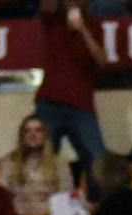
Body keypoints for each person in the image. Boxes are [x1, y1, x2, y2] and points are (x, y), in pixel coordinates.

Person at [34, 0, 107, 177]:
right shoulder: (54, 20)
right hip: (50, 102)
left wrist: (83, 29)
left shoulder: (94, 26)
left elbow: (101, 61)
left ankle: (95, 195)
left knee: (98, 159)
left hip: (81, 105)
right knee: (43, 159)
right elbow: (45, 6)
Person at [0, 113, 67, 215]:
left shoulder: (58, 163)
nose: (33, 134)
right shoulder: (9, 161)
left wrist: (43, 213)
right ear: (22, 135)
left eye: (38, 130)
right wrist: (19, 212)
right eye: (28, 130)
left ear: (45, 135)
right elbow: (1, 195)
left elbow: (65, 196)